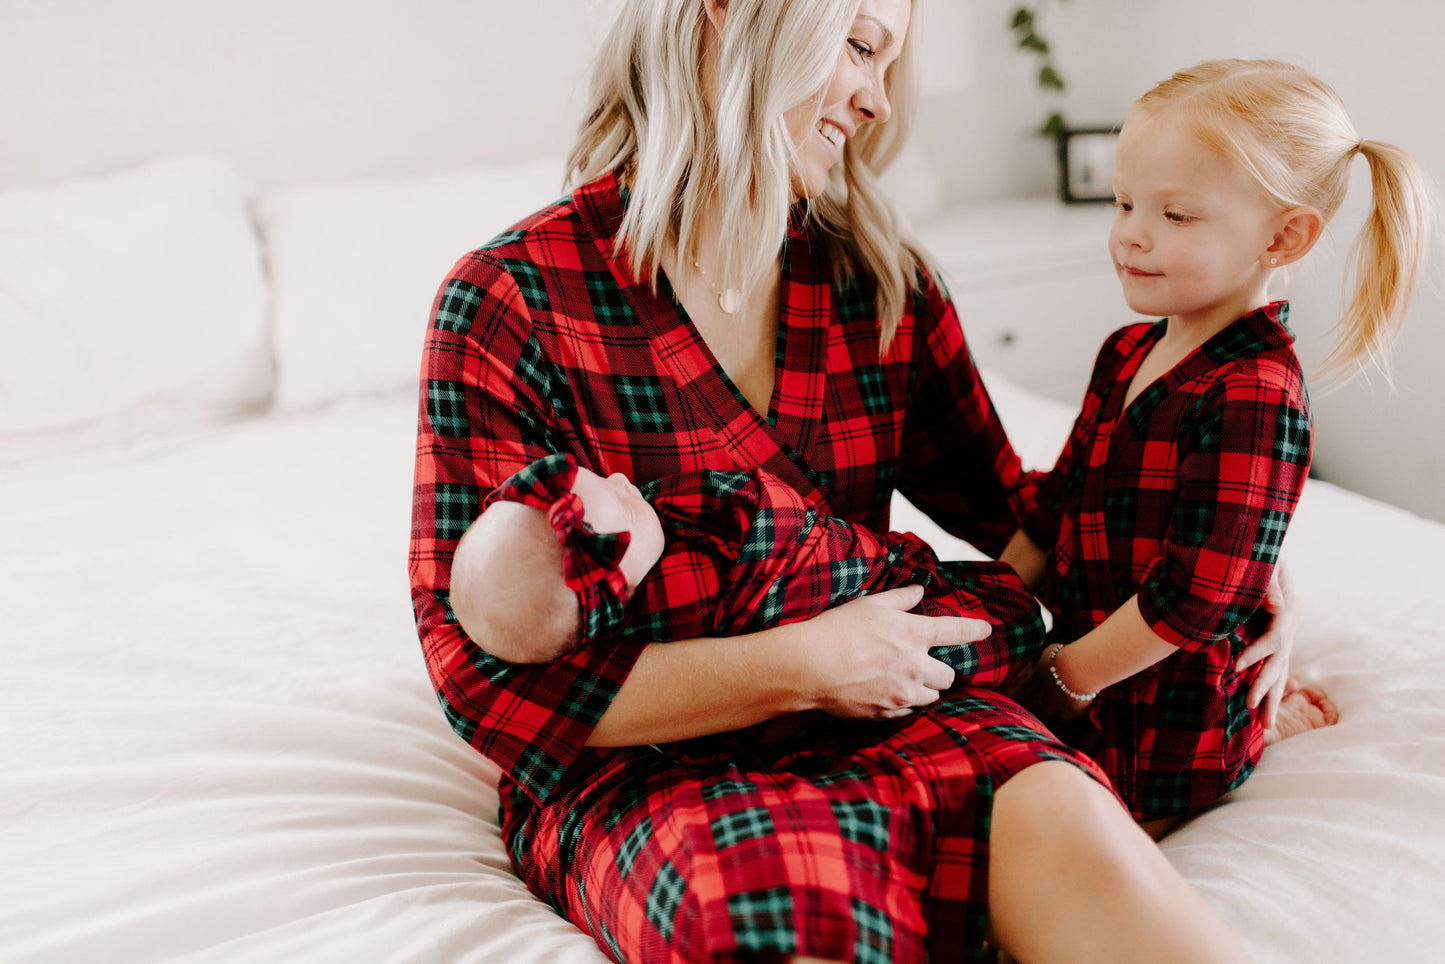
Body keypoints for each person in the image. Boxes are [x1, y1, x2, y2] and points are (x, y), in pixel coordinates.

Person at [410, 3, 1280, 960]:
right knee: (768, 923)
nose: (876, 101)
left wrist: (1235, 550)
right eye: (860, 45)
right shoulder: (512, 302)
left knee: (1085, 847)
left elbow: (1030, 526)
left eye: (886, 62)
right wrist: (805, 666)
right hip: (657, 769)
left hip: (905, 707)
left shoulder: (878, 281)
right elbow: (486, 687)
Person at [1001, 58, 1431, 836]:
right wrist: (990, 611)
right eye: (1124, 203)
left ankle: (1255, 734)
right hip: (1080, 657)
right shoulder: (1124, 350)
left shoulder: (1254, 395)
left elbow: (1197, 598)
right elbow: (1056, 503)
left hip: (1166, 728)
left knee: (1054, 837)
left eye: (1176, 215)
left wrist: (1064, 679)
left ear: (1282, 237)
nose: (1130, 233)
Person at [457, 452, 1046, 689]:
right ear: (616, 591)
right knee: (974, 632)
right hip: (866, 613)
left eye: (609, 482)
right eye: (627, 505)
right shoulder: (679, 598)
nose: (622, 480)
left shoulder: (672, 523)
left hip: (867, 572)